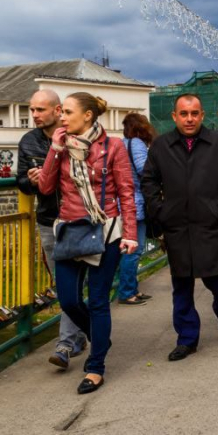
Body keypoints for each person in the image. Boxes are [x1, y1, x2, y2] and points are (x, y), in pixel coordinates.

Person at [38, 92, 137, 394]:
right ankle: (99, 337)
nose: (62, 117)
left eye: (67, 112)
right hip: (69, 229)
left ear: (88, 116)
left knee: (97, 300)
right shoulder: (61, 146)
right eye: (61, 112)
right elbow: (44, 186)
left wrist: (130, 233)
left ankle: (96, 367)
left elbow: (126, 192)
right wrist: (54, 149)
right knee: (68, 299)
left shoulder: (113, 146)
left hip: (105, 230)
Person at [141, 94, 218, 362]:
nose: (189, 119)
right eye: (184, 114)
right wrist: (160, 211)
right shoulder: (161, 146)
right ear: (174, 116)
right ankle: (187, 339)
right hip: (177, 228)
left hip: (211, 225)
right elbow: (149, 180)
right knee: (182, 286)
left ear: (202, 115)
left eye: (194, 113)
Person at [17, 89, 87, 369]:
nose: (34, 115)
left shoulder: (76, 134)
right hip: (49, 222)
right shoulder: (28, 141)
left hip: (79, 220)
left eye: (40, 110)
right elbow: (22, 181)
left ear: (58, 111)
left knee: (80, 282)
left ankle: (74, 338)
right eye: (32, 109)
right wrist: (30, 180)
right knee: (64, 283)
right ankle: (69, 341)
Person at [117, 113, 156, 306]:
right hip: (136, 203)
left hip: (123, 203)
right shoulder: (137, 144)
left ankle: (131, 288)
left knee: (128, 249)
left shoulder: (123, 143)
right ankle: (127, 292)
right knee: (134, 250)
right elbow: (144, 169)